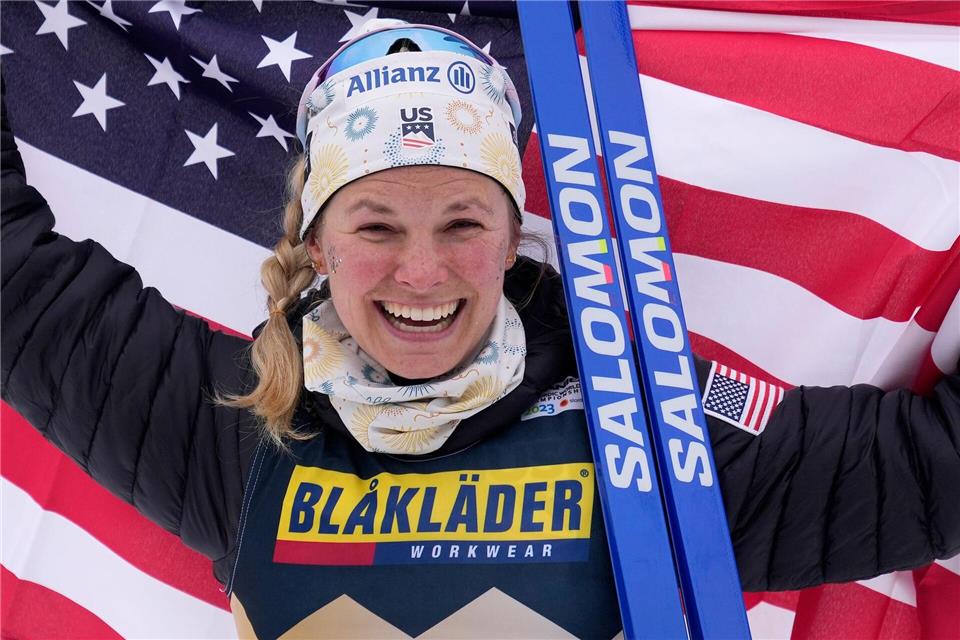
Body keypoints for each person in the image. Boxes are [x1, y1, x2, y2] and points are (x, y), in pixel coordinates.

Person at [2, 21, 958, 639]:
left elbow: (936, 469)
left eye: (462, 221)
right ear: (319, 242)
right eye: (376, 227)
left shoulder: (651, 438)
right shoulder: (241, 432)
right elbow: (16, 286)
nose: (423, 272)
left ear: (511, 236)